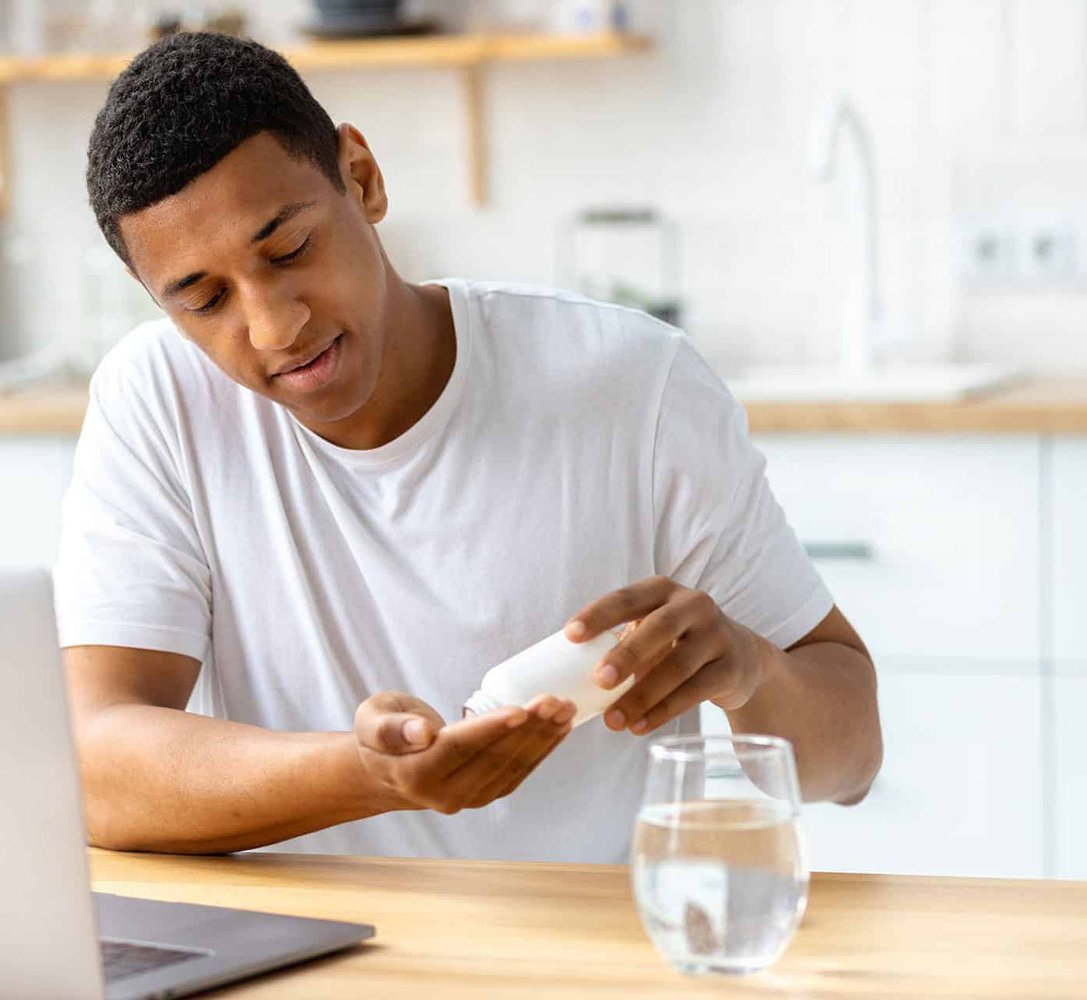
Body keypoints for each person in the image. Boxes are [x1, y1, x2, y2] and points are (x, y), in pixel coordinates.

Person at [54, 31, 882, 862]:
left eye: (291, 249)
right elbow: (98, 773)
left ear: (362, 179)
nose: (275, 326)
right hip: (298, 963)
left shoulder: (633, 386)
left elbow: (852, 758)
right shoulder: (158, 399)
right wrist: (369, 774)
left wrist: (749, 673)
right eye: (204, 300)